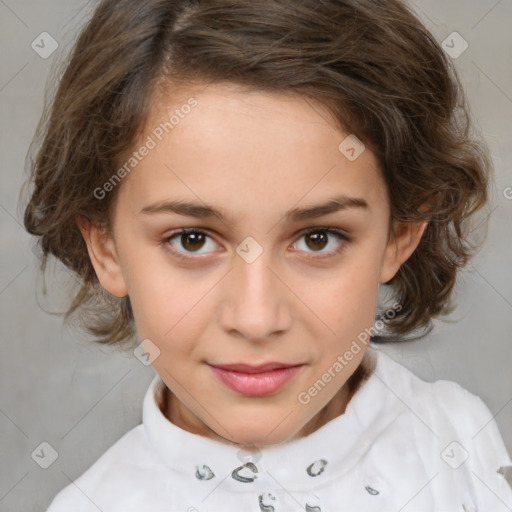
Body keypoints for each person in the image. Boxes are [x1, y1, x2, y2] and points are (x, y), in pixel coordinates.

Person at [22, 0, 512, 510]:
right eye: (192, 240)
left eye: (318, 239)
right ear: (107, 248)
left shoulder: (459, 445)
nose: (256, 319)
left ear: (400, 232)